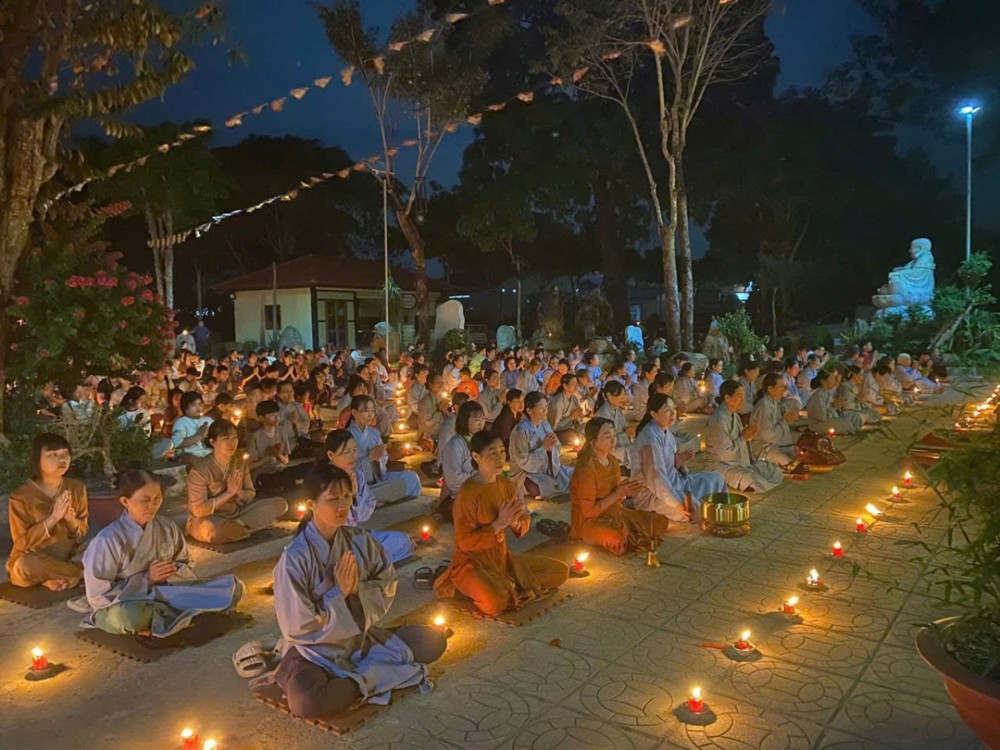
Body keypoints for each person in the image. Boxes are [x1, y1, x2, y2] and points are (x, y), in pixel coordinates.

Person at [271, 463, 444, 718]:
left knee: (434, 641)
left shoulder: (358, 539)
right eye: (332, 499)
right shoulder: (294, 559)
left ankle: (361, 679)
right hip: (313, 652)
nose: (343, 505)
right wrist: (338, 595)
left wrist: (355, 591)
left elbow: (387, 581)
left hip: (359, 639)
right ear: (311, 504)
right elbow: (297, 626)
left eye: (346, 496)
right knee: (306, 702)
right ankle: (370, 678)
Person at [80, 468, 244, 636]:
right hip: (128, 603)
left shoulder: (166, 527)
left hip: (167, 592)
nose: (153, 505)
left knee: (233, 587)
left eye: (157, 498)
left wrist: (172, 570)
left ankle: (174, 617)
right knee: (130, 617)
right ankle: (186, 614)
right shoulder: (107, 540)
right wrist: (147, 579)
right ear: (125, 501)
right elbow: (98, 595)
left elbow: (185, 563)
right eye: (145, 500)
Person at [434, 431, 569, 617]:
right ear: (476, 457)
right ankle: (461, 588)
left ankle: (508, 584)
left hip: (502, 559)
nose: (499, 458)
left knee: (559, 572)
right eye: (492, 453)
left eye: (501, 452)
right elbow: (465, 542)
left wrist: (514, 522)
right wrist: (498, 524)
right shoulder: (468, 493)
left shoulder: (507, 485)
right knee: (497, 602)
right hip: (471, 564)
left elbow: (523, 522)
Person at [569, 418, 667, 555]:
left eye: (614, 435)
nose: (613, 441)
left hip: (615, 513)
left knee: (657, 521)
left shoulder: (613, 460)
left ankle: (626, 532)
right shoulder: (587, 468)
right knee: (617, 537)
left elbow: (617, 496)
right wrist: (618, 494)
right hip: (589, 523)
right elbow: (588, 512)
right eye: (608, 437)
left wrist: (627, 489)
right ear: (592, 441)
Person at [6, 434, 89, 590]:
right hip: (35, 558)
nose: (62, 459)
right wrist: (53, 518)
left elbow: (82, 532)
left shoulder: (77, 488)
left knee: (99, 543)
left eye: (65, 453)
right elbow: (21, 543)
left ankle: (55, 577)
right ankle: (81, 574)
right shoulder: (20, 497)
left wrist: (70, 519)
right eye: (53, 455)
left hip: (69, 555)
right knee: (24, 566)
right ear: (37, 460)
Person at [186, 420, 288, 544]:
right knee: (213, 530)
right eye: (226, 439)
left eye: (235, 438)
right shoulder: (200, 470)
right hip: (211, 518)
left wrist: (239, 492)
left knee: (280, 504)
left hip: (238, 514)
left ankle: (239, 527)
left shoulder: (239, 462)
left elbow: (250, 493)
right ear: (213, 442)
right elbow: (198, 510)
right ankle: (250, 528)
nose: (232, 443)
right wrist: (228, 493)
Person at [323, 430, 415, 564]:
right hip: (331, 542)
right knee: (346, 560)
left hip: (354, 536)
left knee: (403, 541)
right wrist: (347, 499)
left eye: (354, 450)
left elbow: (363, 516)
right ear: (331, 455)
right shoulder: (323, 479)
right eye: (347, 452)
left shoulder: (356, 474)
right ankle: (361, 565)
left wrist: (354, 496)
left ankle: (365, 564)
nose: (352, 456)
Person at [634, 394, 726, 521]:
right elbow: (656, 479)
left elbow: (670, 464)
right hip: (654, 494)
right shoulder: (650, 438)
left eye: (674, 409)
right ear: (654, 414)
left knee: (717, 479)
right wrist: (678, 504)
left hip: (676, 482)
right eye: (667, 411)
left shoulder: (666, 431)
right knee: (694, 508)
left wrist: (679, 462)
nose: (673, 414)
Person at [706, 381, 784, 492]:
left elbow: (743, 441)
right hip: (720, 464)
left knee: (772, 469)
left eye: (743, 397)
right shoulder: (718, 419)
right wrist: (744, 438)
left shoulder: (734, 414)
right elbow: (724, 453)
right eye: (739, 397)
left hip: (737, 461)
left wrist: (748, 437)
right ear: (727, 398)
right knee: (754, 482)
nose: (742, 401)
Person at [347, 396, 423, 504]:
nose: (370, 415)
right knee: (358, 492)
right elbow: (345, 468)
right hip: (358, 484)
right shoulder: (346, 437)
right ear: (354, 412)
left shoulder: (374, 433)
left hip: (379, 480)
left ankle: (372, 499)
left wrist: (380, 457)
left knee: (412, 478)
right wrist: (369, 458)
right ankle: (370, 498)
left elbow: (384, 458)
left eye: (372, 410)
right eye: (365, 411)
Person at [509, 392, 573, 499]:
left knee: (572, 473)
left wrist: (551, 449)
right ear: (529, 411)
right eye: (542, 409)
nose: (546, 411)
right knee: (542, 487)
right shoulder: (520, 431)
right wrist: (543, 449)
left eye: (546, 408)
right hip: (525, 472)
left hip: (548, 467)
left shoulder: (545, 424)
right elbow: (522, 461)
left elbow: (556, 445)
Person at [248, 400, 313, 494]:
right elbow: (249, 466)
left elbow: (286, 461)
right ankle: (291, 483)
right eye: (272, 415)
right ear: (261, 418)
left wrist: (278, 455)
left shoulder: (281, 433)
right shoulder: (256, 437)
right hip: (264, 473)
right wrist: (267, 459)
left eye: (278, 414)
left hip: (280, 469)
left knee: (307, 466)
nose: (277, 418)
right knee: (273, 480)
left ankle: (291, 483)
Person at [749, 374, 808, 474]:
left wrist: (786, 420)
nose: (784, 389)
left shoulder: (773, 402)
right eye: (781, 387)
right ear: (770, 388)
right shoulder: (763, 406)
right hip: (763, 448)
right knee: (792, 464)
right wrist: (785, 422)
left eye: (784, 387)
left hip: (775, 444)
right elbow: (768, 435)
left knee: (802, 455)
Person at [440, 401, 488, 508]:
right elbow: (454, 481)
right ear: (464, 421)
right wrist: (480, 477)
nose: (481, 424)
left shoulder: (482, 441)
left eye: (483, 419)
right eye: (476, 420)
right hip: (460, 495)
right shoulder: (455, 445)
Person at [807, 370, 863, 435]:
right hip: (818, 424)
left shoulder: (828, 392)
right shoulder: (818, 396)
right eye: (832, 379)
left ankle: (852, 430)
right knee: (843, 424)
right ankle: (852, 431)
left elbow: (833, 410)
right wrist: (834, 407)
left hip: (831, 419)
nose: (835, 381)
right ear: (823, 382)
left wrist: (838, 406)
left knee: (855, 416)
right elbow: (821, 417)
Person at [593, 381, 635, 468]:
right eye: (620, 395)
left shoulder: (617, 410)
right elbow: (603, 442)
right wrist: (625, 434)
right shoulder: (602, 414)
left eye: (623, 395)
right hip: (608, 450)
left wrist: (630, 431)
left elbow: (624, 427)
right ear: (609, 396)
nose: (623, 398)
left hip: (619, 445)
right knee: (634, 452)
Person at [170, 392, 214, 465]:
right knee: (189, 459)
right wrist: (199, 435)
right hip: (189, 455)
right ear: (185, 406)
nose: (198, 407)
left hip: (208, 453)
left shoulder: (208, 420)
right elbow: (177, 443)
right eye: (194, 405)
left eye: (200, 404)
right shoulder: (181, 422)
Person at [546, 373, 584, 445]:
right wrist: (571, 417)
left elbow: (577, 420)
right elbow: (554, 427)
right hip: (557, 433)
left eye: (576, 383)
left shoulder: (574, 399)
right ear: (565, 386)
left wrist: (579, 415)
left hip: (571, 428)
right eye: (573, 383)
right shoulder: (558, 402)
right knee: (572, 436)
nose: (575, 386)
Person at [492, 389, 523, 457]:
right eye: (517, 401)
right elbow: (506, 439)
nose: (521, 404)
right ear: (509, 402)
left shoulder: (518, 415)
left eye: (522, 400)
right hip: (502, 450)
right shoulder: (505, 418)